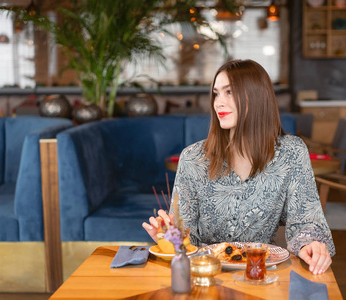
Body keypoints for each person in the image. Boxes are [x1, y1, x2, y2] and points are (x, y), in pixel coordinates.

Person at [143, 59, 335, 275]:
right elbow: (187, 240)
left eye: (229, 92)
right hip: (206, 277)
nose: (218, 103)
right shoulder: (192, 159)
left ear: (257, 96)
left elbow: (306, 221)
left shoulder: (291, 153)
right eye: (216, 93)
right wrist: (170, 237)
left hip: (262, 276)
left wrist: (312, 244)